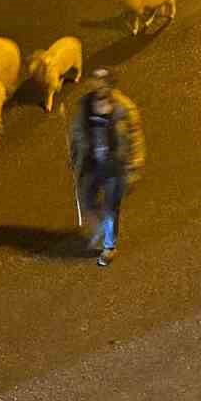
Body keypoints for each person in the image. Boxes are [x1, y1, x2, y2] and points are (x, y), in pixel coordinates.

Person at [68, 69, 145, 266]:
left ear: (110, 85)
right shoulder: (85, 106)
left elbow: (135, 138)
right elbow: (77, 131)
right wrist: (75, 154)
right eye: (95, 82)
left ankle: (109, 246)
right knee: (86, 200)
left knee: (111, 207)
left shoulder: (124, 109)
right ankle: (101, 227)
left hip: (115, 166)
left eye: (102, 83)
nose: (98, 87)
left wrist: (134, 167)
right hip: (92, 163)